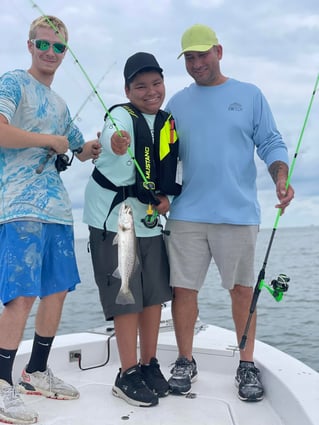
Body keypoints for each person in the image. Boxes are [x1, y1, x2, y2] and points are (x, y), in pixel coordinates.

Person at [164, 24, 295, 402]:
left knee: (242, 291)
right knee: (183, 291)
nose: (196, 63)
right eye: (189, 57)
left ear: (219, 52)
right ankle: (185, 360)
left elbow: (271, 142)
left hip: (238, 213)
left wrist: (280, 178)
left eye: (202, 54)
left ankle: (247, 364)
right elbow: (163, 156)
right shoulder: (177, 102)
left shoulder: (249, 95)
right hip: (187, 213)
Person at [0, 15, 101, 424]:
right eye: (43, 44)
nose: (50, 53)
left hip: (58, 211)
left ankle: (35, 372)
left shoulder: (59, 105)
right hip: (19, 207)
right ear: (29, 45)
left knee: (56, 291)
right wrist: (48, 140)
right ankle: (2, 384)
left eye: (59, 47)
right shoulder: (12, 83)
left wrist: (105, 143)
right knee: (20, 296)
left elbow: (79, 149)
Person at [83, 52, 181, 408]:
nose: (150, 91)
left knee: (154, 296)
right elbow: (113, 136)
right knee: (127, 297)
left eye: (156, 83)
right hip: (114, 221)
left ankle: (148, 363)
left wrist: (166, 198)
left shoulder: (168, 122)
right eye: (140, 86)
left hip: (150, 222)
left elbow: (171, 170)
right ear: (127, 89)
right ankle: (126, 374)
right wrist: (117, 143)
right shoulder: (119, 117)